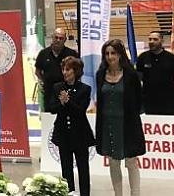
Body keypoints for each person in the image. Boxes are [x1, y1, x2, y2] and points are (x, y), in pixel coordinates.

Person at [95, 39, 145, 196]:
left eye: (113, 53)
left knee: (131, 161)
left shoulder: (131, 75)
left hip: (128, 124)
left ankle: (135, 193)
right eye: (107, 53)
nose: (110, 57)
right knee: (113, 162)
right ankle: (118, 194)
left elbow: (139, 100)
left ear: (120, 55)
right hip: (107, 124)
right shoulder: (100, 74)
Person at [49, 57, 94, 196]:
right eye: (63, 69)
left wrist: (67, 102)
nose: (64, 72)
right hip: (63, 134)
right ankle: (69, 193)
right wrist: (61, 104)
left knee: (83, 168)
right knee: (66, 169)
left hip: (80, 134)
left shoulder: (85, 89)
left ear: (76, 71)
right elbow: (52, 108)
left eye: (67, 69)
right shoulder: (57, 87)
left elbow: (80, 111)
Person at [136, 31, 174, 115]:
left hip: (168, 101)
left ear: (162, 41)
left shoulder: (171, 58)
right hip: (149, 100)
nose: (152, 42)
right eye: (150, 39)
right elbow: (139, 76)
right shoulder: (142, 57)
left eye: (155, 39)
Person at [35, 28, 79, 112]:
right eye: (56, 37)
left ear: (65, 40)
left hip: (67, 93)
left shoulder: (72, 54)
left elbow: (78, 72)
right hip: (49, 92)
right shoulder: (43, 54)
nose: (58, 40)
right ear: (52, 37)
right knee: (49, 119)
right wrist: (44, 81)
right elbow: (37, 71)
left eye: (61, 38)